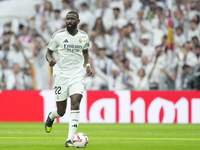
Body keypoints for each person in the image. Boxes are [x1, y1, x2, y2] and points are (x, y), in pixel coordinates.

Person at [45, 11, 92, 147]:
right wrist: (50, 60)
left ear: (78, 21)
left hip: (77, 74)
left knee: (76, 101)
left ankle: (70, 139)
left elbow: (85, 51)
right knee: (61, 111)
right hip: (61, 75)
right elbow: (48, 51)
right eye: (67, 19)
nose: (69, 21)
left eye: (72, 19)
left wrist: (87, 65)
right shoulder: (58, 35)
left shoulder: (83, 36)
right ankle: (51, 116)